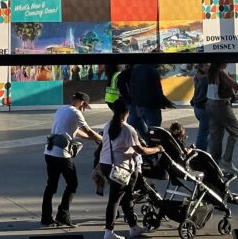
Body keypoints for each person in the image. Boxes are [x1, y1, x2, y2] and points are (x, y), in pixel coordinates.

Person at [99, 100, 162, 239]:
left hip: (106, 165)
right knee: (114, 200)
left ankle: (134, 227)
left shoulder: (108, 125)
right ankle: (108, 232)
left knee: (126, 198)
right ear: (125, 112)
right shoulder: (127, 129)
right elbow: (141, 150)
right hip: (121, 168)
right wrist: (157, 149)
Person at [41, 91, 103, 229]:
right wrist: (102, 139)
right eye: (85, 106)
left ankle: (46, 218)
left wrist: (92, 138)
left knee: (51, 186)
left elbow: (75, 131)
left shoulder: (62, 109)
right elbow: (88, 131)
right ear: (82, 103)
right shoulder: (76, 112)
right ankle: (63, 214)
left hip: (49, 151)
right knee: (72, 184)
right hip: (61, 154)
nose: (84, 109)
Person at [206, 61, 238, 175]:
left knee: (216, 134)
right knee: (235, 132)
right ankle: (226, 160)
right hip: (221, 105)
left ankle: (214, 163)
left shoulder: (211, 72)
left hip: (210, 103)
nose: (227, 63)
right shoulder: (221, 73)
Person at [128, 64, 174, 140]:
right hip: (151, 106)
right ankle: (152, 148)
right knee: (154, 131)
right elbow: (157, 91)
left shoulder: (136, 70)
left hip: (139, 105)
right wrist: (167, 103)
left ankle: (148, 145)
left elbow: (132, 89)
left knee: (147, 129)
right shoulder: (152, 71)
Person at [190, 63, 211, 151]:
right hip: (203, 107)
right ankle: (200, 153)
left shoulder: (197, 76)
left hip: (197, 106)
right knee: (203, 133)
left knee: (204, 132)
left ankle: (202, 151)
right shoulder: (205, 78)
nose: (209, 67)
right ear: (200, 67)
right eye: (206, 65)